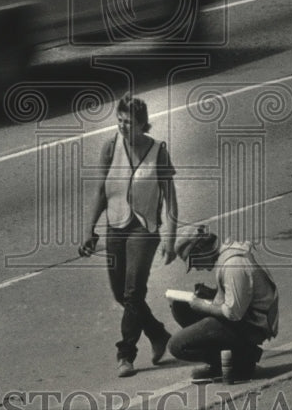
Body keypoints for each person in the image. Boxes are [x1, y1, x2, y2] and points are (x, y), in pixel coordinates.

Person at [78, 94, 179, 378]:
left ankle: (126, 354)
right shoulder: (111, 147)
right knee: (121, 294)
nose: (123, 127)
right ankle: (159, 334)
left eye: (129, 123)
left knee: (133, 292)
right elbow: (100, 191)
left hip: (143, 230)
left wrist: (170, 239)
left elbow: (171, 199)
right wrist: (89, 230)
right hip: (115, 227)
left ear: (143, 124)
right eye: (120, 120)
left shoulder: (158, 151)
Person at [167, 225, 279, 383]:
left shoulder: (233, 264)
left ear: (200, 248)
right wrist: (212, 294)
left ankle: (242, 361)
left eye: (194, 262)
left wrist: (203, 305)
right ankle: (223, 361)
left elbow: (234, 313)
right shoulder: (225, 254)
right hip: (246, 315)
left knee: (177, 345)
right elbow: (240, 294)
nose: (197, 268)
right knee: (180, 307)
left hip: (253, 325)